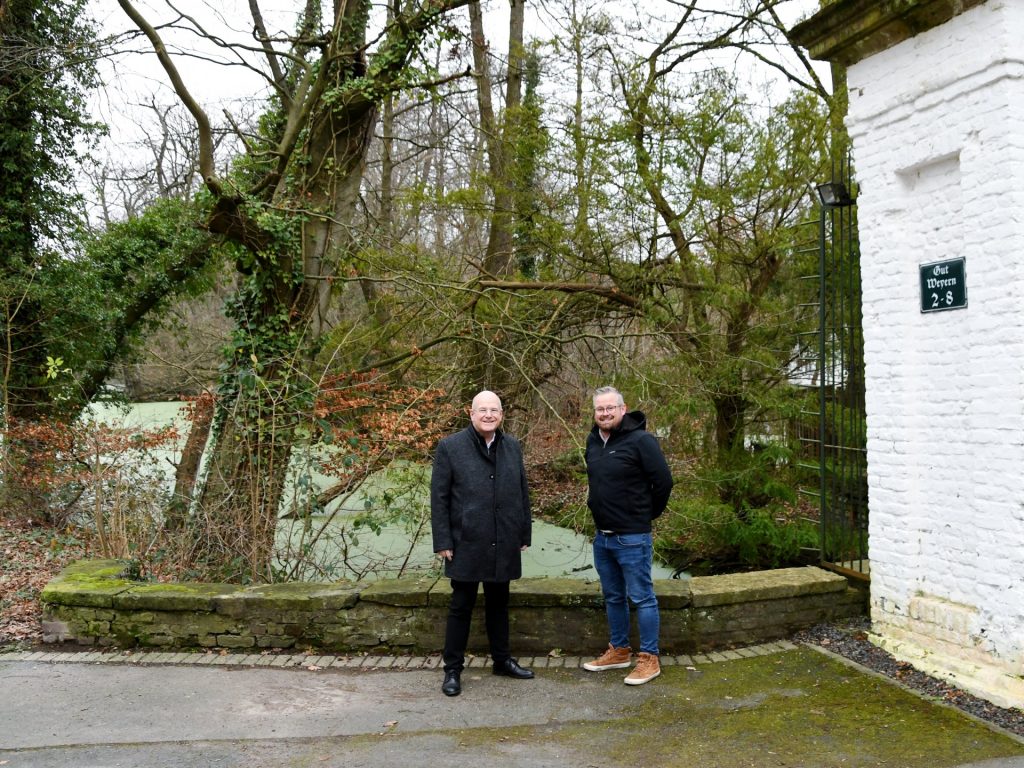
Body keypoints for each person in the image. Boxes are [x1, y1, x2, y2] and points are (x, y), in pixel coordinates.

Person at [431, 390, 534, 697]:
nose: (489, 415)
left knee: (499, 604)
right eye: (483, 410)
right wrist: (443, 540)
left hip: (503, 538)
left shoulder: (512, 446)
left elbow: (522, 492)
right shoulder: (450, 447)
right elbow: (440, 498)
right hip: (465, 541)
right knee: (460, 606)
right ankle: (452, 670)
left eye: (494, 410)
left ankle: (502, 661)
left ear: (502, 414)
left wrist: (523, 533)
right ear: (471, 413)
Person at [582, 386, 673, 685]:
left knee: (643, 598)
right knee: (613, 596)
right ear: (594, 413)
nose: (605, 413)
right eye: (600, 409)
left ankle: (650, 659)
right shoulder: (593, 440)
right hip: (603, 538)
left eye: (610, 408)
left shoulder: (642, 440)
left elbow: (663, 482)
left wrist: (645, 515)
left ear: (623, 409)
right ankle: (620, 651)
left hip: (632, 537)